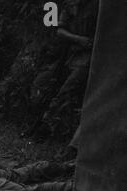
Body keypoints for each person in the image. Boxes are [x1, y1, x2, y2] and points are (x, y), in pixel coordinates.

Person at [39, 0, 99, 137]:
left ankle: (47, 125)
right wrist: (78, 39)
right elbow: (60, 30)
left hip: (90, 57)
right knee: (52, 86)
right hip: (71, 55)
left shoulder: (98, 5)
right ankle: (47, 126)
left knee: (67, 90)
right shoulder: (71, 4)